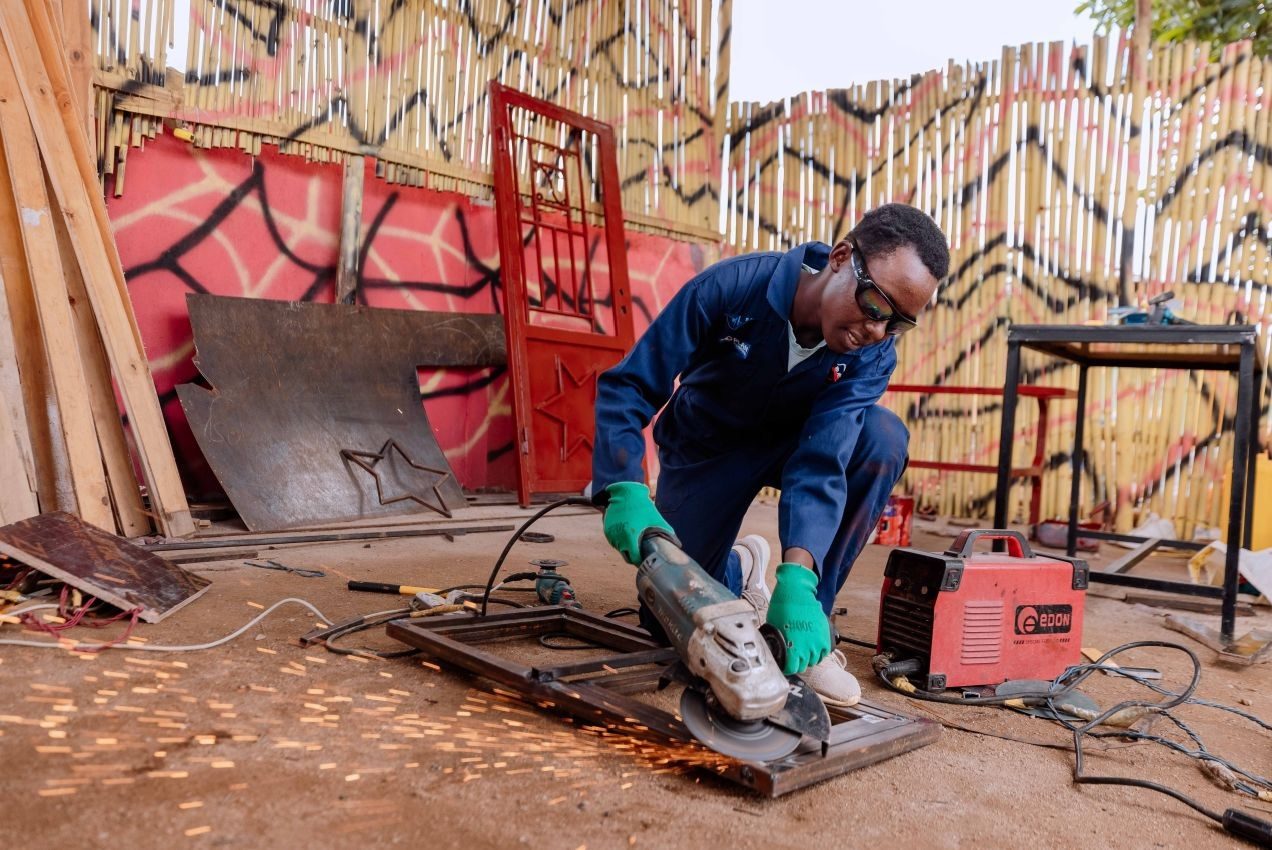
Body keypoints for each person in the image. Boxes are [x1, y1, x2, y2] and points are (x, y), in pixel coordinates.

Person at [591, 203, 949, 706]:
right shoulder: (731, 288)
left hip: (796, 445)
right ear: (842, 257)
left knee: (882, 439)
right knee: (668, 619)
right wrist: (623, 486)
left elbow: (823, 459)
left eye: (898, 324)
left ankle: (807, 623)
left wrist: (799, 579)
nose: (876, 330)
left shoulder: (872, 352)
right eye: (874, 305)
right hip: (708, 448)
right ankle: (740, 571)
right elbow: (629, 386)